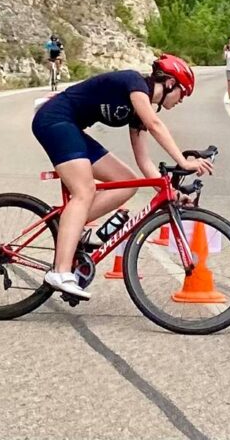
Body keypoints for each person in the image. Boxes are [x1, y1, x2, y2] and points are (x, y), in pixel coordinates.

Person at [32, 54, 211, 300]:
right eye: (183, 92)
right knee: (84, 192)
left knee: (127, 181)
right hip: (55, 119)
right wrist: (183, 161)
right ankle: (60, 272)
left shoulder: (138, 113)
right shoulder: (134, 83)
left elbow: (144, 163)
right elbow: (156, 124)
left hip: (71, 126)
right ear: (170, 83)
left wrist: (171, 193)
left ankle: (69, 225)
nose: (183, 100)